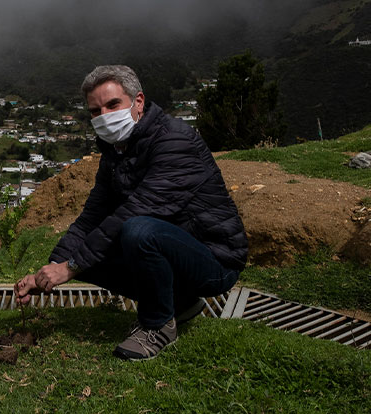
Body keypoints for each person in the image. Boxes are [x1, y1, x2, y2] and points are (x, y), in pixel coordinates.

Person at [14, 65, 247, 361]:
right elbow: (91, 218)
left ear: (138, 101)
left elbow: (137, 211)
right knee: (90, 254)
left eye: (113, 104)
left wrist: (70, 267)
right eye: (95, 111)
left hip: (214, 259)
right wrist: (49, 272)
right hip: (171, 249)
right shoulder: (115, 153)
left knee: (137, 231)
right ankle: (181, 303)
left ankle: (158, 325)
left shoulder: (175, 141)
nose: (105, 116)